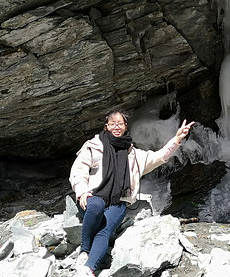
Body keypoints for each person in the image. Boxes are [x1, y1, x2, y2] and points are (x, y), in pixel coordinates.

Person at [69, 109, 194, 277]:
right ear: (106, 127)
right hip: (93, 196)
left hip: (119, 201)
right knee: (97, 206)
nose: (116, 127)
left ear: (126, 127)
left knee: (105, 230)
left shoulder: (134, 154)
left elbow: (159, 157)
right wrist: (82, 191)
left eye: (120, 123)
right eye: (112, 124)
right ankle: (84, 251)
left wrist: (177, 138)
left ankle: (89, 268)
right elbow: (79, 170)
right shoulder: (93, 146)